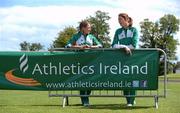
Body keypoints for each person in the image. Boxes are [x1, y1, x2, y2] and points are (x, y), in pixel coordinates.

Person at [65, 20, 102, 106]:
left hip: (91, 62)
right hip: (80, 61)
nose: (90, 29)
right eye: (88, 27)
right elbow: (68, 45)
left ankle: (86, 97)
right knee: (82, 81)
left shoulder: (92, 37)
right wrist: (80, 47)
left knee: (91, 82)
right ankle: (85, 101)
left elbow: (100, 45)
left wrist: (91, 47)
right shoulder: (76, 36)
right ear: (83, 28)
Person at [112, 13, 138, 107]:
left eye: (120, 19)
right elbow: (114, 45)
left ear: (126, 19)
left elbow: (134, 45)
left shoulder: (134, 30)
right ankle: (128, 100)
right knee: (124, 80)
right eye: (118, 19)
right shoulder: (118, 31)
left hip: (133, 58)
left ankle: (131, 100)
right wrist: (124, 47)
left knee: (132, 79)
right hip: (122, 59)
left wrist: (127, 48)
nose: (119, 21)